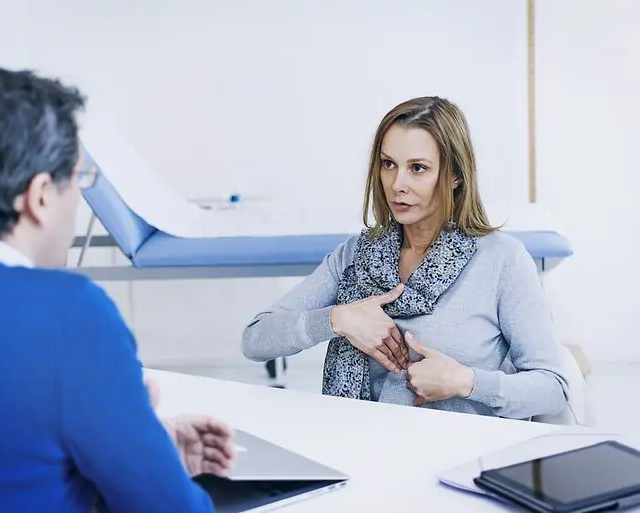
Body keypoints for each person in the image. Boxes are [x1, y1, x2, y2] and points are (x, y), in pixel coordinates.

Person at [0, 68, 234, 512]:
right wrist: (144, 451)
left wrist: (134, 446)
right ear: (40, 195)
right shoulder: (66, 314)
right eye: (79, 178)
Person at [241, 96, 576, 420]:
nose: (397, 184)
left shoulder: (502, 260)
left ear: (455, 175)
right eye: (389, 164)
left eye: (418, 168)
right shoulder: (355, 256)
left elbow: (554, 388)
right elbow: (255, 339)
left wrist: (465, 382)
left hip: (460, 451)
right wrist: (338, 319)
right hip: (356, 443)